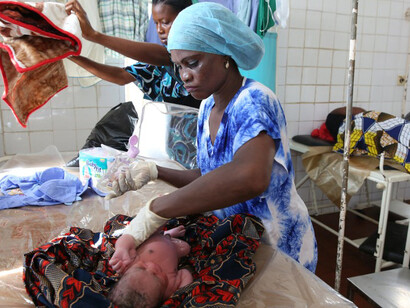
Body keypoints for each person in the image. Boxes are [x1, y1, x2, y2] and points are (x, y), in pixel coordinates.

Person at [109, 2, 318, 274]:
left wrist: (154, 212)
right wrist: (153, 170)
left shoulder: (254, 101)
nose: (184, 75)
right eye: (179, 66)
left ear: (224, 55)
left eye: (192, 63)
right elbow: (212, 175)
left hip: (279, 246)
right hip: (241, 244)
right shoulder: (207, 107)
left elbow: (249, 176)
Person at [65, 0, 200, 109]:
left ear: (185, 17)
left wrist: (94, 36)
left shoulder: (198, 51)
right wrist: (72, 55)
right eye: (156, 23)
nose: (159, 30)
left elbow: (164, 56)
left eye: (165, 22)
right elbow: (121, 76)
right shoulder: (158, 66)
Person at [109, 225, 193, 308]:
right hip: (174, 249)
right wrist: (182, 291)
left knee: (152, 224)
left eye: (142, 268)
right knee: (186, 248)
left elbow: (127, 237)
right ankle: (170, 236)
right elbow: (185, 274)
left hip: (152, 236)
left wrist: (122, 248)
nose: (152, 266)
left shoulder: (127, 264)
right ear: (161, 295)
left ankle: (167, 233)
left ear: (125, 273)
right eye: (156, 275)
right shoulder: (169, 289)